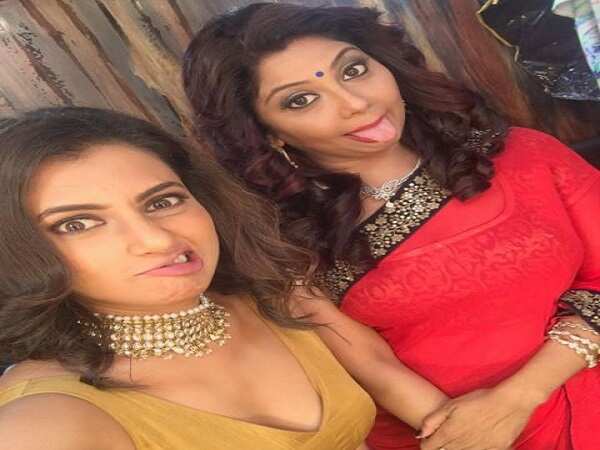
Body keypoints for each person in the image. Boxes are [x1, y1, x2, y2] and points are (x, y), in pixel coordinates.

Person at [182, 3, 600, 450]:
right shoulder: (288, 238)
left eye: (354, 70)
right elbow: (371, 366)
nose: (355, 103)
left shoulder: (524, 157)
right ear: (268, 133)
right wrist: (469, 434)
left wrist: (518, 398)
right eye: (301, 100)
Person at [0, 107, 378, 450]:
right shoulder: (47, 417)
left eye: (162, 202)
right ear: (17, 255)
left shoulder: (265, 294)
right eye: (77, 224)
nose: (157, 239)